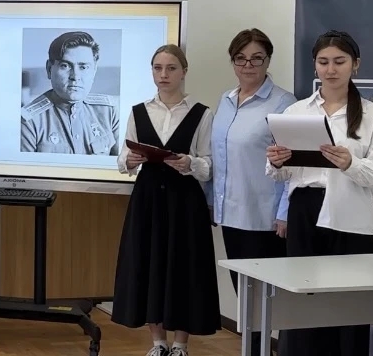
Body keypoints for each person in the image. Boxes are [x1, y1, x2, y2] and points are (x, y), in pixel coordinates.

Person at [266, 30, 373, 356]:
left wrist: (351, 163)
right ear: (315, 66)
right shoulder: (297, 112)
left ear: (355, 64)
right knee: (304, 300)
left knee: (349, 303)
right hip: (305, 209)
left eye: (339, 61)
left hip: (350, 210)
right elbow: (283, 174)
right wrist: (277, 161)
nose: (331, 69)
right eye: (323, 62)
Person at [111, 44, 219, 356]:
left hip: (184, 201)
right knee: (149, 262)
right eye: (158, 68)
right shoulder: (138, 111)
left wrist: (190, 163)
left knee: (184, 265)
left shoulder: (202, 113)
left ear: (184, 71)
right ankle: (158, 342)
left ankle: (181, 344)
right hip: (148, 199)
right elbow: (123, 159)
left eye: (171, 68)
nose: (163, 74)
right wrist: (131, 160)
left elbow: (209, 164)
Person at [206, 29, 295, 356]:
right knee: (245, 297)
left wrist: (284, 213)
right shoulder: (226, 100)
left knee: (266, 302)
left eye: (257, 58)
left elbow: (294, 164)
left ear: (268, 61)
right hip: (230, 214)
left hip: (264, 218)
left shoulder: (284, 104)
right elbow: (219, 156)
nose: (248, 65)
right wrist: (210, 202)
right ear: (233, 62)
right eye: (241, 58)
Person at [21, 30, 119, 155]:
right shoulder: (28, 121)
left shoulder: (109, 112)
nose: (75, 76)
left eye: (83, 67)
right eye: (65, 66)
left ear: (94, 71)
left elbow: (121, 164)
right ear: (49, 69)